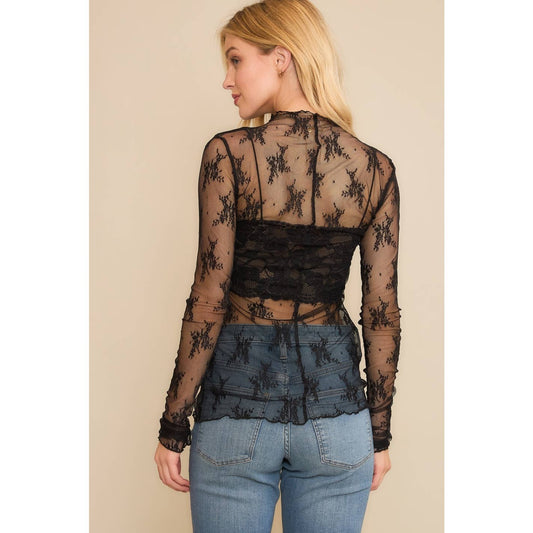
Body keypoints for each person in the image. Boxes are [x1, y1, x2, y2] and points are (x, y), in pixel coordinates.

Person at [154, 1, 401, 531]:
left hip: (237, 407)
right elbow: (380, 311)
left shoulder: (228, 154)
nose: (227, 80)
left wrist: (174, 425)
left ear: (281, 58)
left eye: (235, 59)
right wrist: (378, 433)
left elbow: (210, 295)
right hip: (338, 417)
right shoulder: (376, 169)